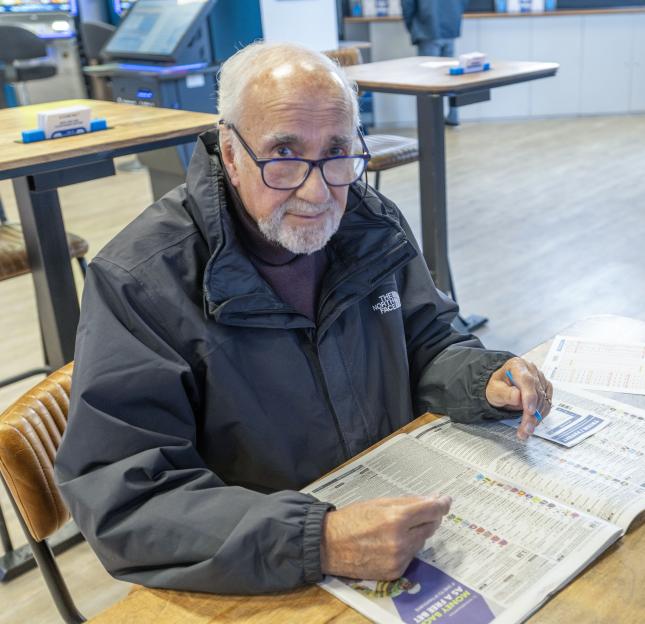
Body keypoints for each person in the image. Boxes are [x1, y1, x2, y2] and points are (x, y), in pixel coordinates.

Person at [54, 42, 552, 595]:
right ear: (232, 151)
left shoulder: (370, 222)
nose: (317, 191)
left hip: (393, 519)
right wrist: (318, 540)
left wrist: (482, 378)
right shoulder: (141, 281)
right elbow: (129, 499)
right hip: (259, 573)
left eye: (337, 151)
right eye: (284, 154)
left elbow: (428, 339)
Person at [402, 0, 469, 125]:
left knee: (427, 80)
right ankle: (453, 115)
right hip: (451, 27)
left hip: (427, 28)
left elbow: (407, 5)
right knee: (451, 77)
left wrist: (412, 26)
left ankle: (431, 121)